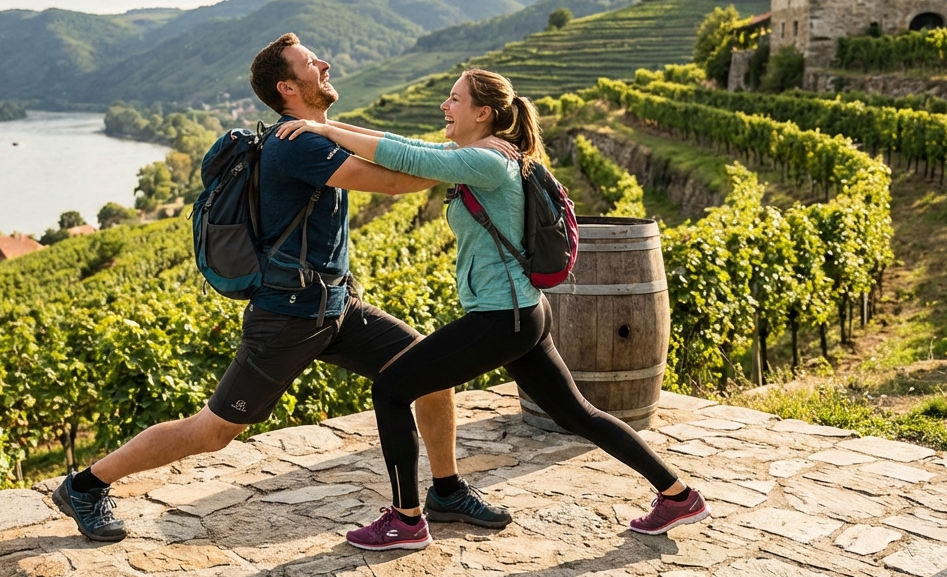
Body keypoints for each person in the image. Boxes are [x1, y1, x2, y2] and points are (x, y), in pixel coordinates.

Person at [52, 34, 513, 543]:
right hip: (288, 316)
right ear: (288, 86)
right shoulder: (300, 144)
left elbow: (388, 161)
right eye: (311, 62)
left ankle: (444, 491)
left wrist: (458, 153)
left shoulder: (316, 133)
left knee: (432, 371)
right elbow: (395, 183)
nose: (326, 63)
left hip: (336, 306)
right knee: (213, 432)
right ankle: (85, 485)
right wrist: (467, 155)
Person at [274, 68, 709, 551]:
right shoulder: (485, 154)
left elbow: (405, 154)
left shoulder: (487, 161)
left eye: (454, 99)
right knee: (578, 414)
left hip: (504, 318)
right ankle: (678, 495)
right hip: (523, 312)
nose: (445, 106)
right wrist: (330, 130)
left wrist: (324, 130)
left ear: (482, 113)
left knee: (392, 388)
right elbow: (399, 142)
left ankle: (406, 520)